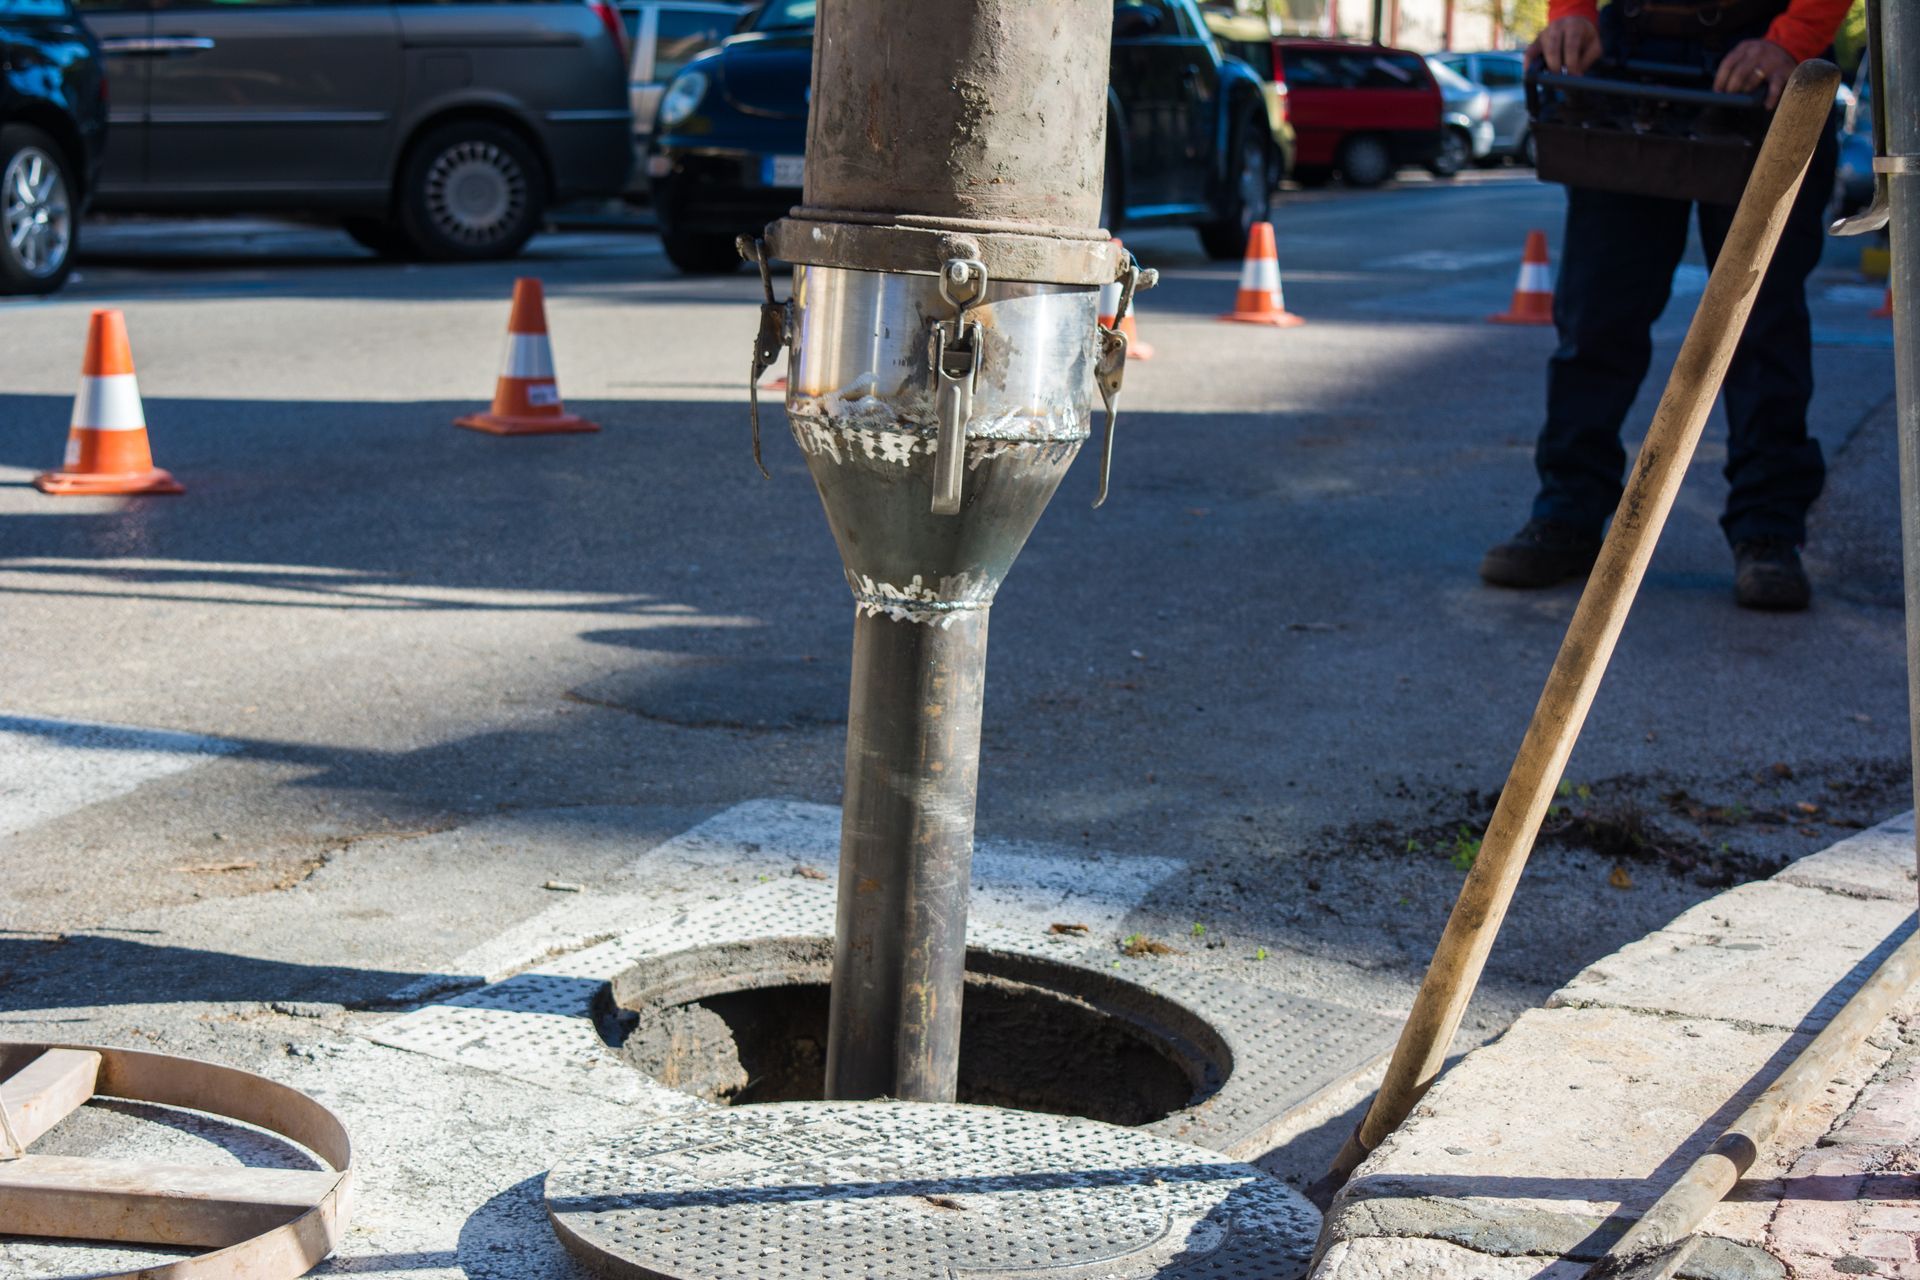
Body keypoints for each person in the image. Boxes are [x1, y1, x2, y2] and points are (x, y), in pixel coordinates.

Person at [1479, 0, 1853, 610]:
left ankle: (1768, 533)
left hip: (1764, 52)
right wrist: (1571, 13)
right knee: (1596, 315)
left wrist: (1792, 39)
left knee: (1761, 321)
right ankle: (1567, 515)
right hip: (1629, 52)